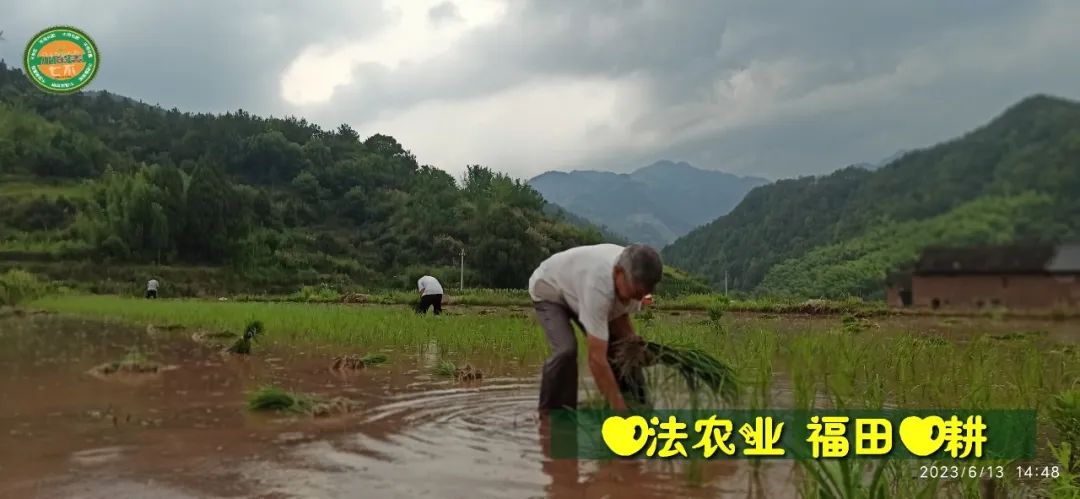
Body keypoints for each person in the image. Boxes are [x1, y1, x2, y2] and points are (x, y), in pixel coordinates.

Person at [529, 243, 663, 412]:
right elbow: (596, 360)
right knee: (566, 350)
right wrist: (620, 410)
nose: (637, 298)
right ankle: (551, 415)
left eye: (642, 294)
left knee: (625, 350)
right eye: (634, 292)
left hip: (580, 290)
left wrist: (636, 347)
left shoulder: (634, 281)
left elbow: (621, 319)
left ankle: (640, 407)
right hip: (549, 288)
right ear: (617, 273)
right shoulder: (598, 286)